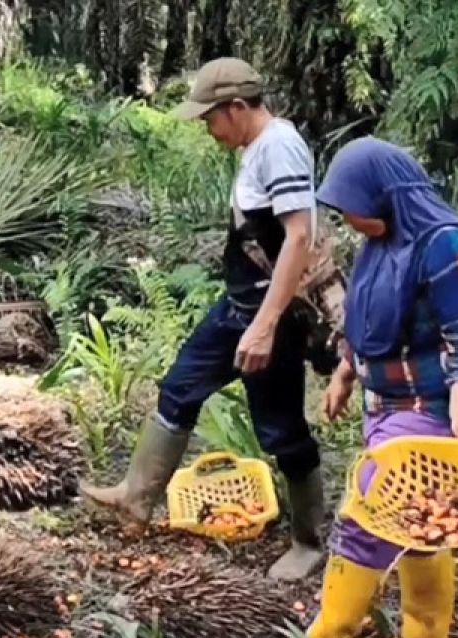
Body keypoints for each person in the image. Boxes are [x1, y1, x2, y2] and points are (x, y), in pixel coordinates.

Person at [81, 57, 327, 580]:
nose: (208, 128)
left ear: (237, 108)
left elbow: (300, 239)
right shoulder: (255, 148)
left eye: (210, 118)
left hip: (268, 315)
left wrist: (265, 324)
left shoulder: (279, 148)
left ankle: (308, 541)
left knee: (281, 429)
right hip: (237, 308)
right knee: (180, 388)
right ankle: (135, 496)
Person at [266, 136, 458, 638]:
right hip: (386, 404)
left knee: (369, 512)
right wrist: (346, 371)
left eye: (353, 206)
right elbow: (367, 317)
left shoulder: (447, 244)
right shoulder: (381, 240)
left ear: (386, 195)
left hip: (430, 409)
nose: (347, 219)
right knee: (418, 521)